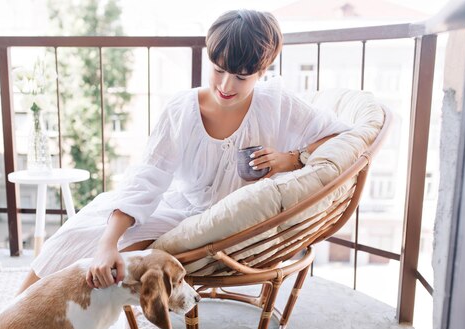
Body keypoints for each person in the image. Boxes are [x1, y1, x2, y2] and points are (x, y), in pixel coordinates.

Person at [18, 9, 350, 294]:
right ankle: (10, 319)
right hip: (175, 209)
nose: (226, 86)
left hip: (229, 224)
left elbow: (342, 135)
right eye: (218, 70)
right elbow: (149, 177)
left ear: (262, 72)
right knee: (79, 233)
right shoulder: (182, 109)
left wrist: (292, 159)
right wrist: (108, 242)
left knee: (117, 256)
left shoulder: (277, 105)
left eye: (241, 77)